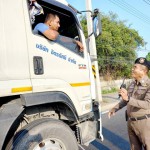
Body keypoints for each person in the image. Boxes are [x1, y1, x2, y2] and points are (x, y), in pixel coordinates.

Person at [108, 57, 150, 150]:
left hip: (144, 124)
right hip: (131, 122)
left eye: (135, 67)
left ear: (143, 71)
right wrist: (115, 108)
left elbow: (147, 104)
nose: (132, 69)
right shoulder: (132, 84)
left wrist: (128, 98)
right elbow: (125, 100)